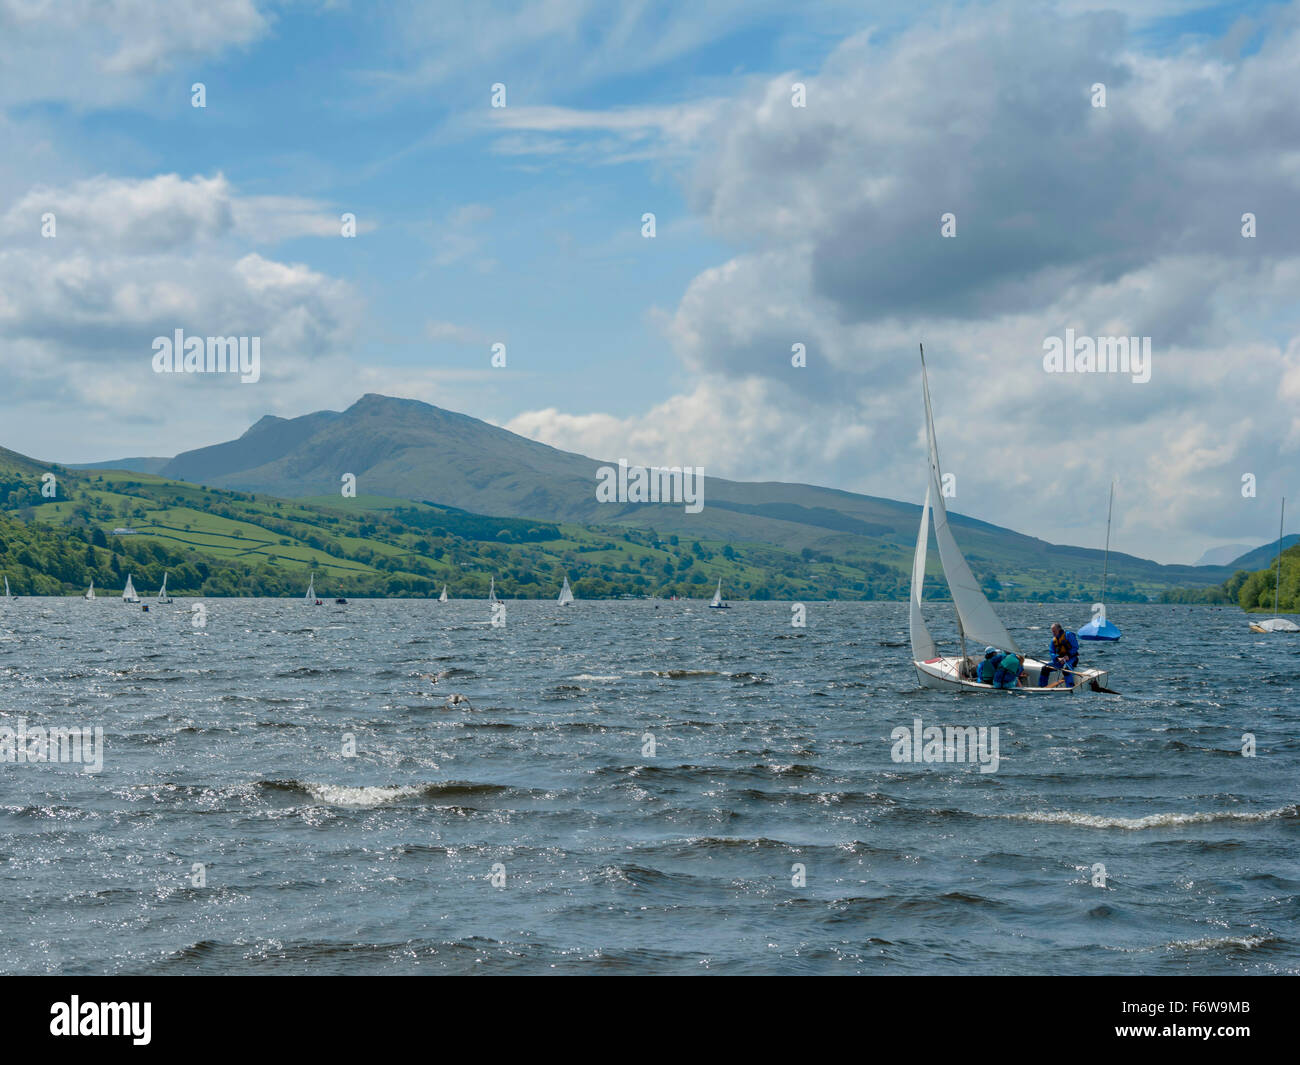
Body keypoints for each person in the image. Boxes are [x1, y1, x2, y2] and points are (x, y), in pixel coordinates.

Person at [1039, 623, 1080, 687]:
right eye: (1052, 631)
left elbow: (1075, 647)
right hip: (1060, 660)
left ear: (1059, 629)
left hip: (1071, 658)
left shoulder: (1068, 635)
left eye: (1054, 631)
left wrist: (1068, 656)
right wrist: (1057, 658)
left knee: (1066, 669)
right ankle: (1042, 687)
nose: (1053, 633)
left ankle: (1070, 687)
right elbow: (1051, 652)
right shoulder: (1054, 640)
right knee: (1045, 668)